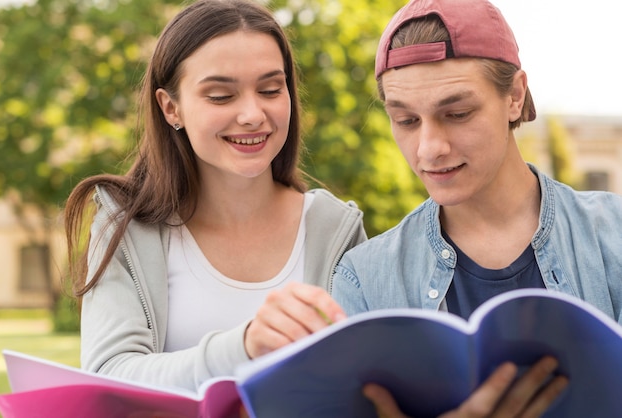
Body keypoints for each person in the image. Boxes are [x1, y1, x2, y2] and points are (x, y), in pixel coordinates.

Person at [331, 0, 622, 415]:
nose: (429, 148)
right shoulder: (363, 281)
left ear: (515, 96)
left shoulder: (615, 236)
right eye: (406, 121)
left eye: (457, 113)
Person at [63, 0, 365, 397]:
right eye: (221, 96)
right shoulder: (125, 225)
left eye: (271, 89)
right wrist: (243, 347)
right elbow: (110, 376)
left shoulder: (335, 228)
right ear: (171, 108)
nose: (253, 114)